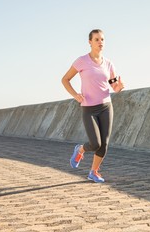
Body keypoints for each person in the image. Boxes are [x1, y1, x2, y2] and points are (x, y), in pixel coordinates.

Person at [61, 29, 124, 183]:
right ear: (90, 42)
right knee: (95, 143)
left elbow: (113, 86)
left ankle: (93, 172)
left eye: (102, 39)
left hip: (105, 107)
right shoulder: (82, 61)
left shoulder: (108, 64)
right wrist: (75, 95)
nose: (100, 42)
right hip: (88, 108)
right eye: (96, 39)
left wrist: (119, 87)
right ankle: (80, 150)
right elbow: (65, 79)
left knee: (105, 143)